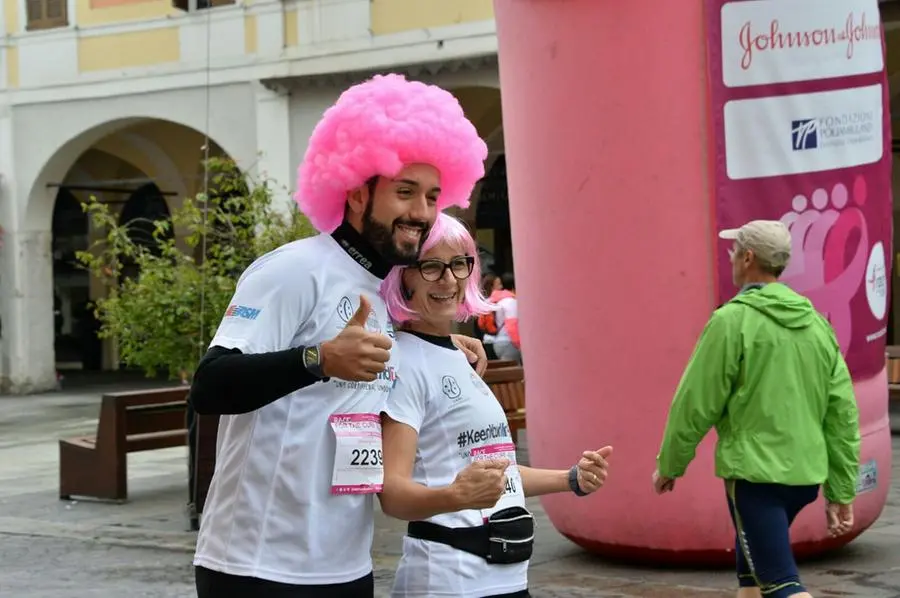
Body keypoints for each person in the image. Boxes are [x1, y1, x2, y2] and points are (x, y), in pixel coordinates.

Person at [188, 74, 489, 598]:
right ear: (355, 192)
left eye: (433, 196)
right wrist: (317, 359)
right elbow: (210, 387)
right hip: (257, 567)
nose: (421, 212)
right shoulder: (293, 270)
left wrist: (443, 345)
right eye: (404, 191)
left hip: (346, 565)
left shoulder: (383, 290)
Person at [379, 213, 613, 598]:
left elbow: (494, 469)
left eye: (458, 264)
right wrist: (453, 497)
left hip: (505, 578)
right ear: (403, 276)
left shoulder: (460, 356)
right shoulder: (405, 364)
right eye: (431, 267)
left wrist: (570, 478)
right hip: (449, 580)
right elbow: (392, 493)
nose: (450, 279)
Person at [652, 220, 860, 598]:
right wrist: (840, 490)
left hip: (756, 478)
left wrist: (670, 464)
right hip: (805, 477)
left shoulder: (731, 321)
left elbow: (695, 402)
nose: (730, 258)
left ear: (748, 258)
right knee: (751, 581)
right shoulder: (817, 325)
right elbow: (842, 414)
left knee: (782, 585)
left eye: (734, 252)